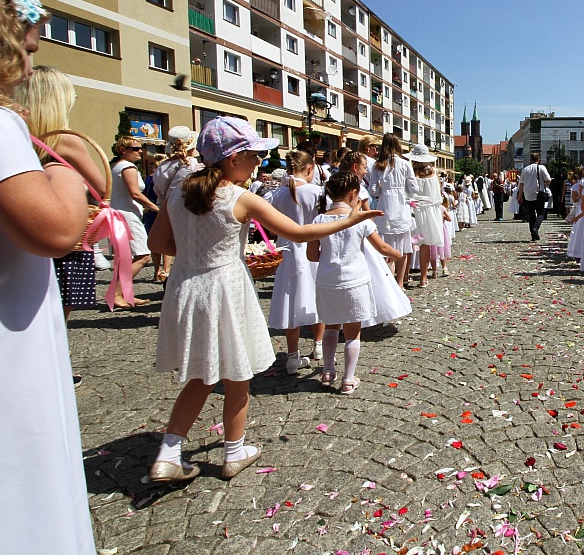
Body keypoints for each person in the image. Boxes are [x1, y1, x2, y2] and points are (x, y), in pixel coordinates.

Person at [146, 117, 381, 483]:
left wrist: (198, 253)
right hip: (224, 286)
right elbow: (300, 233)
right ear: (233, 158)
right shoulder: (239, 197)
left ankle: (169, 452)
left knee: (200, 372)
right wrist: (351, 220)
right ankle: (234, 450)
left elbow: (157, 244)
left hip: (185, 286)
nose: (259, 162)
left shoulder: (179, 190)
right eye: (254, 155)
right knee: (237, 373)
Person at [0, 0, 97, 555]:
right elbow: (56, 227)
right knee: (19, 479)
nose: (30, 70)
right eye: (26, 49)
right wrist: (64, 165)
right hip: (4, 334)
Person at [15, 65, 107, 318]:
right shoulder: (64, 140)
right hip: (64, 234)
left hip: (22, 232)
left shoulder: (17, 134)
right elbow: (100, 188)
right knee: (56, 314)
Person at [308, 172, 404, 394]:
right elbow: (381, 248)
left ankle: (328, 371)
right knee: (352, 331)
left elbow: (312, 255)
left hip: (327, 281)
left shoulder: (319, 220)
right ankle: (348, 379)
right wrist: (397, 255)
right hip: (355, 281)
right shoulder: (361, 220)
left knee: (331, 326)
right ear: (354, 194)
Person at [266, 150, 325, 374]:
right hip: (313, 248)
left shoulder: (275, 194)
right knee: (318, 296)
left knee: (290, 300)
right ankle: (318, 346)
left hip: (287, 250)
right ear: (310, 169)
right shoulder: (316, 192)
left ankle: (292, 355)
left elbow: (264, 224)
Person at [110, 135, 160, 307]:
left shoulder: (117, 166)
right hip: (127, 216)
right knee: (143, 256)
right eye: (135, 148)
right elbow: (135, 193)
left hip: (121, 214)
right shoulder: (127, 167)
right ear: (123, 150)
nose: (140, 151)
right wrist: (156, 208)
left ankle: (123, 294)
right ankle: (117, 295)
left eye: (140, 148)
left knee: (125, 258)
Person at [152, 125, 200, 282]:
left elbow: (159, 194)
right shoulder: (193, 165)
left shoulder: (161, 168)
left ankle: (168, 275)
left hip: (168, 212)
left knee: (175, 249)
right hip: (190, 211)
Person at [368, 133, 416, 288]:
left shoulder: (378, 165)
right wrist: (403, 190)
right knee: (402, 247)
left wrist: (384, 188)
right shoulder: (405, 163)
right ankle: (400, 282)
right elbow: (413, 188)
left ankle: (386, 282)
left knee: (384, 245)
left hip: (385, 205)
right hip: (401, 206)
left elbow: (373, 190)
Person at [407, 144, 445, 288]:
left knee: (409, 243)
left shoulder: (411, 171)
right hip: (429, 211)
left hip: (414, 209)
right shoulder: (433, 172)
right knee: (425, 245)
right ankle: (423, 277)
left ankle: (405, 275)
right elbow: (438, 193)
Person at [518, 153, 551, 241]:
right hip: (539, 193)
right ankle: (535, 228)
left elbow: (521, 184)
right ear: (538, 160)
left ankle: (533, 235)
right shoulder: (541, 167)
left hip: (528, 194)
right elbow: (548, 179)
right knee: (541, 213)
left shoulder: (525, 169)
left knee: (531, 214)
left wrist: (520, 196)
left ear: (530, 159)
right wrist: (545, 182)